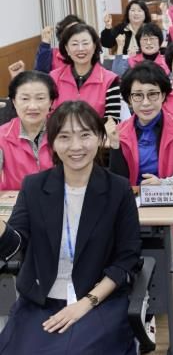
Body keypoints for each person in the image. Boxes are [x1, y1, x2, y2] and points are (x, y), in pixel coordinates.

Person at [0, 100, 141, 354]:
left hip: (98, 300)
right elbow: (16, 244)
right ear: (52, 143)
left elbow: (126, 260)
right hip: (41, 302)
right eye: (64, 137)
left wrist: (86, 303)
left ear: (100, 138)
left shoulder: (118, 189)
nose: (76, 146)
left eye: (85, 135)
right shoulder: (34, 186)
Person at [107, 61, 173, 186]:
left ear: (163, 96)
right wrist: (115, 145)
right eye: (138, 95)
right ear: (129, 99)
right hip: (132, 196)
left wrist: (161, 184)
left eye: (152, 94)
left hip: (170, 194)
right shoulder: (120, 131)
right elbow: (117, 181)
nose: (146, 103)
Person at [50, 23, 122, 121]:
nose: (80, 49)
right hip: (60, 130)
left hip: (97, 131)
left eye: (85, 43)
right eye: (74, 44)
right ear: (67, 49)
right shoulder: (54, 77)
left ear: (94, 46)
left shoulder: (110, 80)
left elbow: (112, 121)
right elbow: (48, 115)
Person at [0, 71, 58, 190]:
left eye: (40, 98)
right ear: (14, 101)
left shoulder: (62, 132)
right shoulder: (2, 136)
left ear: (51, 101)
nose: (33, 106)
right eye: (25, 99)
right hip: (16, 199)